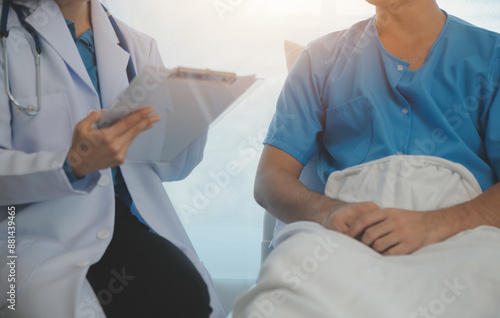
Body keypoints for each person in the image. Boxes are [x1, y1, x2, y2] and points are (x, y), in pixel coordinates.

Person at [0, 0, 225, 317]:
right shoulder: (5, 37)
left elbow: (170, 168)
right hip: (40, 233)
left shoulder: (138, 46)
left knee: (185, 294)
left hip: (134, 226)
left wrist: (190, 122)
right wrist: (72, 164)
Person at [255, 0, 500, 256]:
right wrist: (328, 212)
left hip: (460, 244)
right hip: (345, 244)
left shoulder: (492, 58)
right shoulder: (320, 60)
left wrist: (432, 225)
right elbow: (269, 179)